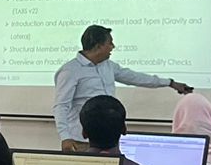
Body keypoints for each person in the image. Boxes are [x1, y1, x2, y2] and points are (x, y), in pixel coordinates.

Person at [53, 25, 191, 151]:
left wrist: (170, 83)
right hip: (82, 141)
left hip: (111, 139)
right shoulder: (70, 71)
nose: (113, 47)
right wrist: (65, 137)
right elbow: (61, 106)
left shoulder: (108, 66)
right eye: (110, 43)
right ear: (98, 46)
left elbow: (135, 78)